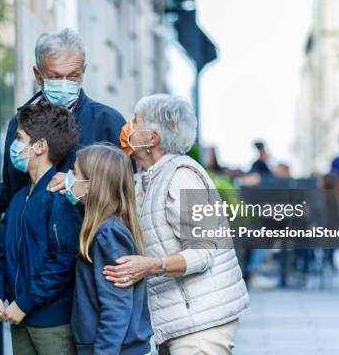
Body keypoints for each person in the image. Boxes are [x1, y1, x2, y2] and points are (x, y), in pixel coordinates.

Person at [103, 94, 249, 354]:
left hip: (201, 326)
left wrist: (152, 266)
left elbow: (204, 252)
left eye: (135, 121)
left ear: (153, 139)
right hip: (181, 321)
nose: (127, 127)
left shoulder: (182, 177)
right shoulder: (150, 177)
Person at [0, 28, 126, 213]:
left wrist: (80, 186)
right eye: (56, 77)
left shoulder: (108, 122)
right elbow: (12, 193)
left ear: (84, 70)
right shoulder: (20, 125)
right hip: (29, 240)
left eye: (73, 76)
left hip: (82, 239)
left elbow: (126, 195)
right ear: (38, 75)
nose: (65, 86)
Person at [0, 103, 82, 354]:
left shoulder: (60, 197)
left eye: (19, 138)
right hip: (18, 319)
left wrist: (24, 303)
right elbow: (2, 259)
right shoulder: (18, 200)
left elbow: (62, 262)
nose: (14, 145)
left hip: (51, 325)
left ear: (40, 146)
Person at [67, 144, 152, 355]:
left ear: (91, 184)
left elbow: (116, 309)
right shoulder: (109, 228)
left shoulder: (108, 234)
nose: (69, 177)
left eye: (75, 172)